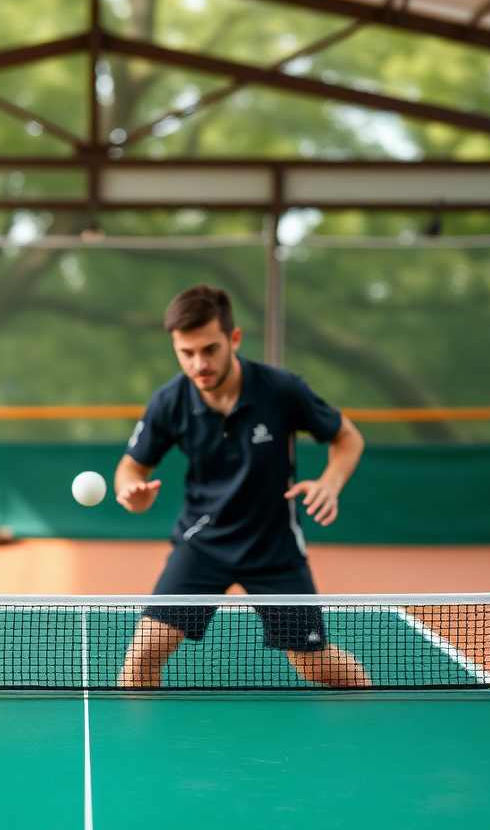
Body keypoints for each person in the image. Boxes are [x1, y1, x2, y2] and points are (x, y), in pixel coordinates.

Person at [114, 284, 369, 688]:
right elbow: (130, 470)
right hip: (202, 544)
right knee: (141, 659)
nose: (199, 363)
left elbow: (348, 437)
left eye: (210, 349)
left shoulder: (282, 390)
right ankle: (133, 751)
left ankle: (370, 718)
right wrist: (133, 494)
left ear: (234, 339)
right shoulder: (169, 401)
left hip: (274, 549)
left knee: (316, 665)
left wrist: (330, 482)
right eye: (187, 353)